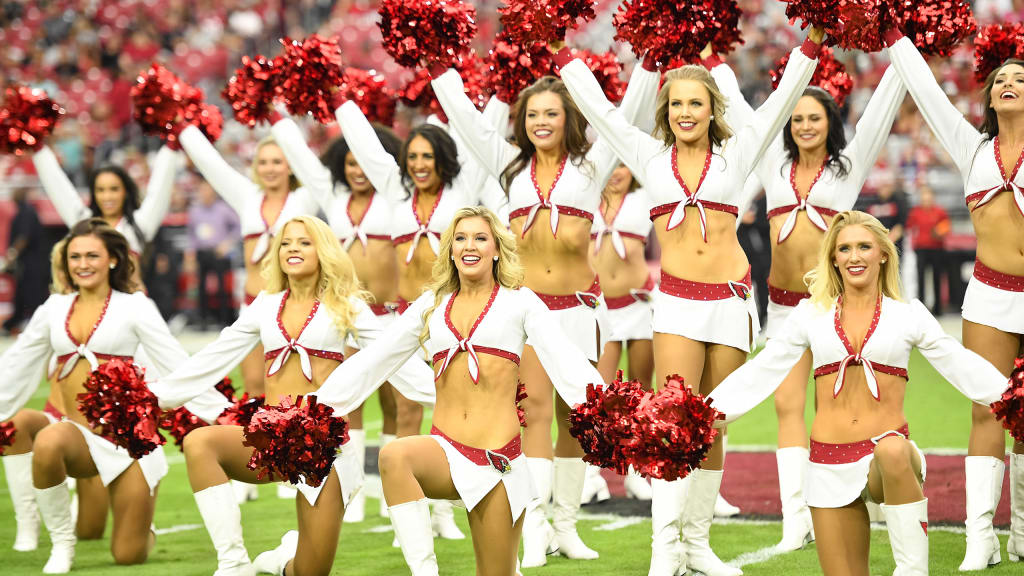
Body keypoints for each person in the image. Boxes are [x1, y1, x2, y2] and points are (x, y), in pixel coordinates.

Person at [558, 26, 825, 576]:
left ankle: (698, 545)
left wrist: (813, 42)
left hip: (729, 300)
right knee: (669, 422)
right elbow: (600, 111)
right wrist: (562, 57)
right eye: (676, 103)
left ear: (712, 109)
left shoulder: (739, 152)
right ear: (666, 109)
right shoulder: (646, 154)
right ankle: (665, 551)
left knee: (713, 423)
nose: (685, 112)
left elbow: (778, 105)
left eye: (695, 103)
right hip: (677, 302)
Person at [432, 43, 661, 566]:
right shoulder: (508, 167)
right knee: (532, 415)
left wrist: (646, 61)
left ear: (568, 118)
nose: (540, 122)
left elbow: (623, 116)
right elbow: (466, 120)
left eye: (551, 113)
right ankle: (533, 525)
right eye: (532, 115)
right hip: (526, 312)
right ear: (521, 122)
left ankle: (566, 525)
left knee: (578, 417)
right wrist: (437, 70)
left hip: (581, 310)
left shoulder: (592, 163)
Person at [708, 210, 1010, 576]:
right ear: (833, 259)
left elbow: (959, 363)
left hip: (886, 461)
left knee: (893, 448)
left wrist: (1013, 397)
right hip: (828, 461)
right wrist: (704, 412)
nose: (854, 256)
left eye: (864, 247)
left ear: (883, 253)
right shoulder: (810, 314)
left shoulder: (908, 314)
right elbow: (762, 369)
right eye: (845, 249)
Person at [313, 206, 605, 576]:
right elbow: (376, 359)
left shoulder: (520, 302)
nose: (470, 245)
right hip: (446, 452)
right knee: (395, 457)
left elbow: (567, 362)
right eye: (461, 238)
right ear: (450, 250)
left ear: (497, 249)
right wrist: (317, 408)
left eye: (481, 238)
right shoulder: (432, 305)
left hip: (498, 459)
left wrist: (615, 413)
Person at [148, 215, 435, 576]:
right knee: (200, 444)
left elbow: (392, 359)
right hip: (271, 440)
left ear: (323, 251)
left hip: (323, 449)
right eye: (286, 243)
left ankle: (280, 560)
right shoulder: (266, 305)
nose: (293, 249)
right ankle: (233, 563)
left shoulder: (345, 305)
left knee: (310, 572)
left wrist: (445, 397)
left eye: (304, 242)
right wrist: (156, 397)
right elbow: (215, 356)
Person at [711, 48, 907, 550]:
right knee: (787, 404)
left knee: (851, 407)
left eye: (813, 118)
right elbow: (733, 102)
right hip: (780, 307)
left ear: (830, 123)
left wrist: (905, 52)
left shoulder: (849, 166)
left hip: (834, 307)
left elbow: (884, 105)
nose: (803, 125)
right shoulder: (774, 164)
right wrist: (713, 59)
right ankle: (795, 520)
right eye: (796, 118)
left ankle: (880, 493)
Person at [327, 98, 510, 538]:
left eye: (428, 156)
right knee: (403, 407)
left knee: (443, 407)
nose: (419, 164)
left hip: (451, 316)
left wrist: (501, 94)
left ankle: (443, 510)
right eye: (412, 158)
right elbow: (370, 150)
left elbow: (483, 135)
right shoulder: (396, 192)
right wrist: (341, 100)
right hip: (404, 318)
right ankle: (402, 506)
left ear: (444, 160)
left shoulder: (461, 193)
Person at [0, 219, 222, 573]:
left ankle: (143, 521)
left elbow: (174, 362)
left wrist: (219, 410)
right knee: (48, 439)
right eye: (75, 257)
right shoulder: (54, 309)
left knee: (127, 555)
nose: (83, 264)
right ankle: (61, 544)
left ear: (113, 260)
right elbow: (16, 364)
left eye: (92, 255)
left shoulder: (134, 306)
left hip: (127, 441)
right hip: (76, 434)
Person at [885, 28, 1024, 568]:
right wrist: (893, 31)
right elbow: (925, 89)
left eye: (1020, 79)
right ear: (988, 97)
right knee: (988, 410)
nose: (1010, 84)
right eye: (1001, 80)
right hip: (990, 292)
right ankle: (980, 539)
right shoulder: (972, 149)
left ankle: (1021, 535)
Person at [176, 124, 319, 399]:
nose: (270, 168)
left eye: (277, 161)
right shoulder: (247, 197)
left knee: (292, 389)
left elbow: (313, 165)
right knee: (254, 386)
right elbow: (210, 163)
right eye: (263, 162)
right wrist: (182, 125)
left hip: (294, 304)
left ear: (291, 166)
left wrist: (279, 117)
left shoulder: (305, 198)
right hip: (252, 304)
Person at [3, 238, 109, 555]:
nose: (75, 269)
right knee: (14, 423)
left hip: (98, 436)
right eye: (67, 263)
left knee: (90, 532)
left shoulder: (116, 312)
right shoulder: (50, 315)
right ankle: (27, 523)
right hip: (55, 422)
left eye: (86, 259)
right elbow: (15, 366)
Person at [587, 164, 654, 502]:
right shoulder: (585, 194)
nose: (614, 172)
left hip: (639, 304)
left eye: (622, 165)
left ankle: (639, 472)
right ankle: (591, 475)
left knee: (640, 393)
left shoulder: (644, 197)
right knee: (601, 395)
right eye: (608, 165)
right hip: (602, 310)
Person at [30, 143, 182, 288]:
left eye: (114, 189)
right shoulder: (85, 224)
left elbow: (160, 187)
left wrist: (172, 145)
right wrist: (37, 148)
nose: (107, 197)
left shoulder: (139, 224)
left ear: (125, 192)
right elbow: (58, 187)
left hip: (132, 309)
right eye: (100, 190)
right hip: (92, 310)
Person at [187, 181, 240, 329]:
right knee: (201, 288)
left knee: (222, 288)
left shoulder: (223, 209)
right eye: (202, 190)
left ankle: (224, 320)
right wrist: (191, 252)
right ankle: (203, 320)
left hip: (219, 253)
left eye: (207, 190)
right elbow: (191, 233)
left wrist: (227, 244)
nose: (204, 194)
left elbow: (238, 227)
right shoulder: (195, 211)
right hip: (202, 252)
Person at [3, 186, 49, 332]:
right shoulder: (24, 212)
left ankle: (38, 327)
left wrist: (12, 254)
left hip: (32, 263)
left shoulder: (26, 213)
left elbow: (24, 237)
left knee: (33, 295)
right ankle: (12, 323)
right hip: (27, 263)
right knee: (22, 295)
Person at [905, 184, 950, 314]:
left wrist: (939, 231)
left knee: (937, 277)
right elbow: (909, 228)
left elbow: (946, 226)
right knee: (921, 278)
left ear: (932, 197)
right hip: (921, 249)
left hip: (937, 248)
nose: (926, 198)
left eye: (928, 195)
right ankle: (921, 308)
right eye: (924, 195)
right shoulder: (915, 212)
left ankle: (938, 309)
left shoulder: (939, 211)